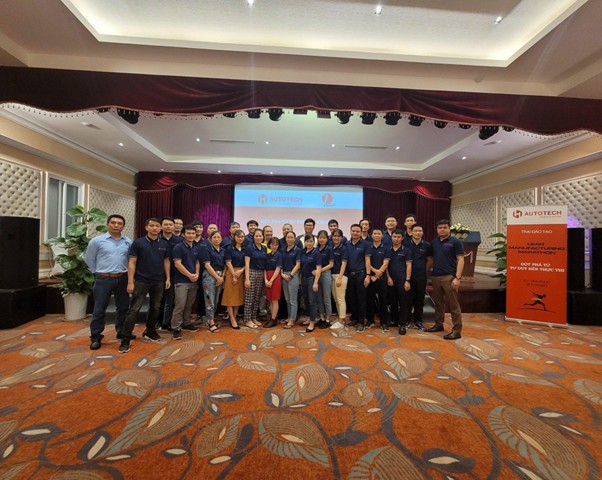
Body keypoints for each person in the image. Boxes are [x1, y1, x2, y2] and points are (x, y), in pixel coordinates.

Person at [119, 218, 171, 353]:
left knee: (155, 308)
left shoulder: (164, 243)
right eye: (152, 225)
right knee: (134, 310)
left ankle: (150, 331)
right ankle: (125, 338)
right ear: (146, 227)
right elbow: (132, 262)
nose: (155, 228)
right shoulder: (138, 243)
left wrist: (168, 278)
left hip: (159, 281)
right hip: (141, 281)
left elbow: (166, 261)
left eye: (157, 226)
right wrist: (130, 281)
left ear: (160, 228)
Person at [85, 214, 132, 351]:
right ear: (108, 224)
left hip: (122, 278)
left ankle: (121, 331)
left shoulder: (128, 241)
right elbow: (89, 258)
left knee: (123, 307)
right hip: (103, 279)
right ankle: (96, 336)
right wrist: (96, 272)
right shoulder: (97, 241)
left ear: (123, 226)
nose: (116, 225)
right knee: (99, 309)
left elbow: (130, 260)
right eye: (113, 223)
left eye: (119, 223)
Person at [427, 219, 465, 340]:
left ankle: (457, 330)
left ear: (449, 229)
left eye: (444, 227)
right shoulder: (434, 242)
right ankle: (439, 324)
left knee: (453, 305)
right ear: (436, 229)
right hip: (435, 276)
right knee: (438, 304)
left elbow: (461, 260)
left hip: (449, 277)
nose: (442, 230)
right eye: (440, 228)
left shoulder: (455, 242)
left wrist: (457, 278)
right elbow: (431, 260)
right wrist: (424, 272)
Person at [171, 225, 201, 340]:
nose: (191, 235)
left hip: (193, 280)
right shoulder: (178, 247)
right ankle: (176, 328)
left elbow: (197, 262)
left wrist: (197, 273)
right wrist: (189, 275)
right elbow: (177, 264)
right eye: (188, 233)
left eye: (193, 233)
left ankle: (186, 323)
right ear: (183, 234)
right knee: (180, 305)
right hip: (181, 281)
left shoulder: (196, 248)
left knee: (189, 304)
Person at [386, 229, 413, 335]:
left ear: (402, 238)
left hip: (402, 280)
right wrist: (388, 278)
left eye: (398, 237)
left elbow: (409, 266)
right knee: (392, 302)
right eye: (394, 236)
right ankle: (394, 320)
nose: (396, 239)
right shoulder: (387, 250)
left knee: (403, 302)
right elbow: (385, 265)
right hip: (390, 280)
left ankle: (402, 324)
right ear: (391, 237)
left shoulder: (406, 250)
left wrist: (407, 280)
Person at [346, 224, 371, 332]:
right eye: (353, 231)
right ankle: (354, 318)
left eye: (357, 231)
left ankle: (361, 321)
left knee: (361, 299)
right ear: (350, 231)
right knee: (352, 298)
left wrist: (368, 275)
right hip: (349, 275)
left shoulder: (366, 244)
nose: (355, 233)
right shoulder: (346, 244)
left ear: (361, 232)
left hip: (361, 275)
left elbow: (367, 260)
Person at [159, 216, 183, 331]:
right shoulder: (157, 239)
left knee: (170, 299)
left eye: (170, 225)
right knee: (157, 299)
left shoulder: (179, 240)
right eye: (166, 224)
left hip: (174, 274)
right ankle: (157, 321)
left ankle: (166, 322)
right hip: (158, 273)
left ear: (173, 227)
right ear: (161, 226)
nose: (168, 226)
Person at [406, 224, 430, 331]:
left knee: (420, 299)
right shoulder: (406, 244)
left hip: (421, 276)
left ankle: (418, 321)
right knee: (407, 299)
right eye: (415, 230)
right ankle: (406, 320)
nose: (418, 233)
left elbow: (430, 260)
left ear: (422, 232)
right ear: (411, 232)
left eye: (420, 230)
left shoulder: (427, 245)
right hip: (408, 276)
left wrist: (424, 270)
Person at [366, 227, 391, 331]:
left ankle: (384, 322)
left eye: (378, 233)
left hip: (381, 278)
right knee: (369, 300)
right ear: (372, 235)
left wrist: (377, 275)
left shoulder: (386, 248)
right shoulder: (368, 247)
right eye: (375, 233)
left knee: (383, 300)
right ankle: (370, 320)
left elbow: (386, 264)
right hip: (370, 277)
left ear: (382, 235)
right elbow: (367, 262)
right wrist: (373, 273)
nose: (376, 235)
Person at [201, 230, 225, 333]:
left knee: (216, 300)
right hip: (209, 276)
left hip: (220, 275)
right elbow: (207, 265)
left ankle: (210, 319)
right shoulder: (207, 250)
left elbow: (226, 264)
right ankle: (211, 322)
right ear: (210, 239)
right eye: (214, 237)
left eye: (218, 237)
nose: (216, 239)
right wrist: (217, 277)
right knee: (209, 300)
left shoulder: (223, 250)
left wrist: (222, 277)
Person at [244, 228, 267, 328]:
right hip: (251, 273)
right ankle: (247, 319)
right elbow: (247, 263)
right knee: (249, 298)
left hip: (261, 274)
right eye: (256, 236)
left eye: (260, 236)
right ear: (253, 237)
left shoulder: (264, 248)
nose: (258, 238)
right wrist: (247, 278)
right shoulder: (249, 248)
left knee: (257, 298)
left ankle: (253, 317)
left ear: (263, 237)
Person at [222, 229, 245, 329]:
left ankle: (234, 317)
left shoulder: (245, 249)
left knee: (238, 297)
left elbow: (247, 262)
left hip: (241, 273)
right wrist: (234, 275)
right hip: (231, 272)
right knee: (230, 297)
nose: (240, 238)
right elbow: (228, 262)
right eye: (238, 236)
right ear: (234, 237)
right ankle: (231, 318)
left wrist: (241, 271)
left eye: (242, 237)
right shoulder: (229, 248)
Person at [299, 234, 322, 332]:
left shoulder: (317, 253)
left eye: (311, 241)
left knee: (313, 301)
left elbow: (319, 268)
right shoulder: (302, 252)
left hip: (312, 280)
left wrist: (315, 283)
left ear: (314, 242)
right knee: (306, 300)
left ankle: (312, 322)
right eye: (307, 241)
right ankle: (309, 318)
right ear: (304, 242)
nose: (309, 243)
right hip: (304, 279)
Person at [281, 230, 301, 329]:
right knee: (287, 299)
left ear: (294, 238)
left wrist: (291, 275)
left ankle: (292, 319)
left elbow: (298, 264)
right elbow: (280, 264)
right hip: (284, 276)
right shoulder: (283, 250)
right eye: (288, 237)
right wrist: (282, 274)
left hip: (293, 275)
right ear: (285, 239)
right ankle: (289, 317)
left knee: (293, 300)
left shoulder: (298, 250)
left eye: (291, 237)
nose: (289, 239)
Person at [329, 228, 348, 331]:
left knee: (340, 299)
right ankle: (340, 318)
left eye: (338, 236)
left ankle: (341, 321)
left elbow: (344, 263)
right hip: (332, 275)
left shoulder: (344, 248)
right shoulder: (331, 247)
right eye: (334, 236)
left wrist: (340, 278)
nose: (336, 238)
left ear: (341, 237)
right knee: (336, 299)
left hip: (340, 276)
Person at [316, 230, 334, 328]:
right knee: (319, 298)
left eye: (324, 238)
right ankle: (322, 317)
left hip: (325, 274)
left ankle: (327, 319)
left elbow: (331, 264)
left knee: (326, 298)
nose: (322, 239)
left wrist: (320, 270)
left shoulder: (329, 249)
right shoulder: (316, 249)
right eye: (320, 238)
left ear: (327, 239)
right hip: (317, 275)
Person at [264, 237, 283, 328]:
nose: (274, 246)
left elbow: (278, 269)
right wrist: (265, 280)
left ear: (278, 246)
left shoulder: (279, 255)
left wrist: (271, 280)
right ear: (269, 245)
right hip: (267, 278)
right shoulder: (267, 255)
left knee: (275, 299)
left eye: (276, 245)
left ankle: (273, 319)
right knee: (270, 299)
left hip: (275, 278)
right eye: (272, 244)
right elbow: (264, 269)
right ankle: (272, 317)